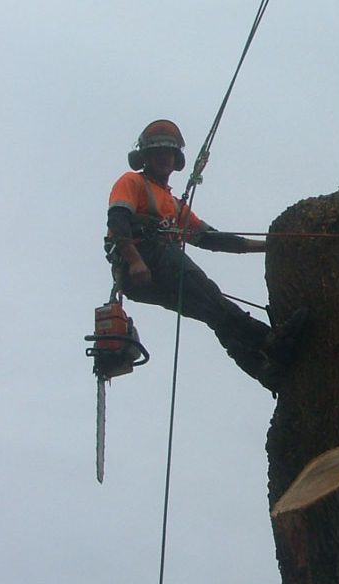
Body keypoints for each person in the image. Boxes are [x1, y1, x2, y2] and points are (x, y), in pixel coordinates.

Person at [104, 119, 307, 391]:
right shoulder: (131, 182)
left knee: (211, 310)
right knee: (211, 296)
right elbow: (118, 221)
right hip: (145, 259)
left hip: (151, 271)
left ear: (176, 158)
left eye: (168, 152)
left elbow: (211, 239)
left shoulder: (174, 206)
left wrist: (269, 246)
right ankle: (271, 341)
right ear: (145, 157)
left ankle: (261, 368)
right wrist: (135, 260)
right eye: (157, 152)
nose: (163, 157)